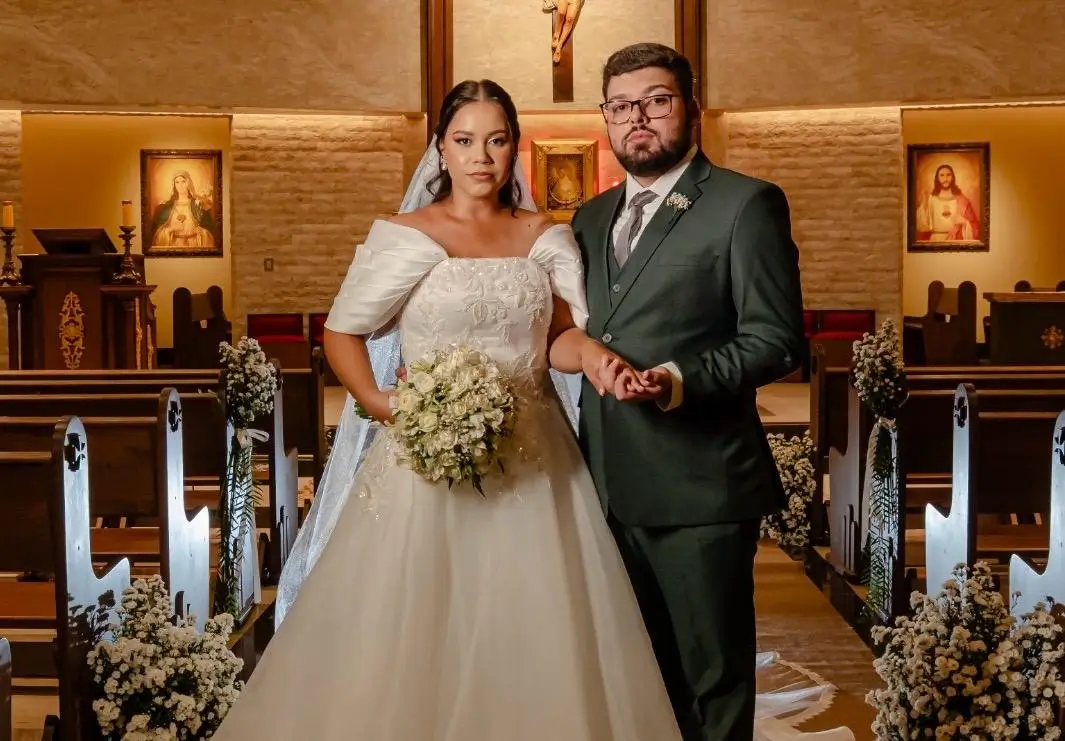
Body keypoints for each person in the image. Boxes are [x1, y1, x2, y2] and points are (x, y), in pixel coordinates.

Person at [215, 77, 854, 741]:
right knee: (419, 621)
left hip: (534, 455)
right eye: (464, 140)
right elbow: (340, 334)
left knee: (540, 627)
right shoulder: (403, 236)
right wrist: (386, 405)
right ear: (440, 149)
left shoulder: (544, 234)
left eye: (495, 140)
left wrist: (598, 358)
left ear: (514, 148)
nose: (480, 156)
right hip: (424, 459)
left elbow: (557, 337)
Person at [570, 42, 808, 741]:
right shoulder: (587, 219)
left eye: (655, 100)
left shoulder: (743, 204)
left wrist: (677, 381)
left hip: (700, 488)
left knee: (714, 685)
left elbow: (775, 339)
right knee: (642, 680)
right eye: (621, 106)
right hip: (605, 488)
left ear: (690, 107)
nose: (636, 117)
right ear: (605, 120)